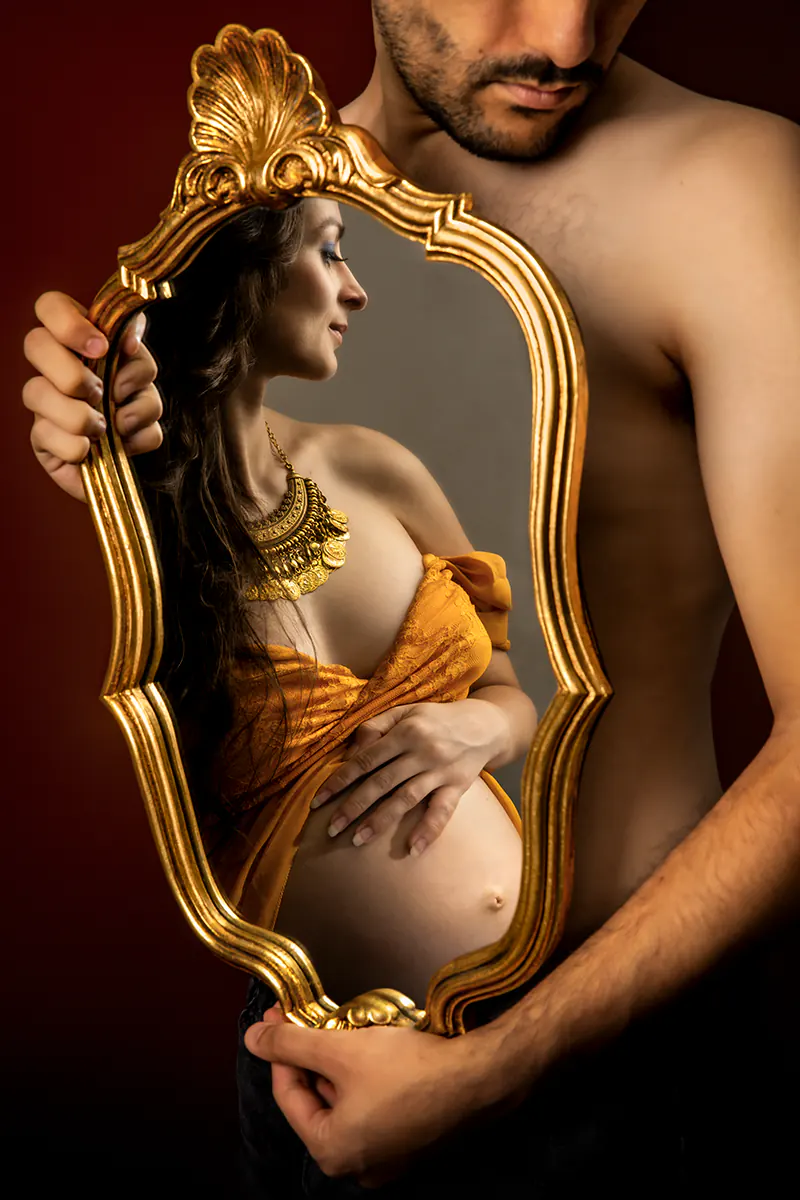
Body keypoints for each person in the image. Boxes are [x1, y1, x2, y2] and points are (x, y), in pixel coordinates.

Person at [21, 0, 800, 1192]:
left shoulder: (731, 193)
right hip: (315, 1060)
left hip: (624, 1067)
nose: (567, 36)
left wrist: (507, 1064)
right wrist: (124, 488)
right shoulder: (237, 229)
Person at [125, 194, 533, 1009]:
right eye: (328, 250)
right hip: (333, 1056)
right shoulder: (132, 515)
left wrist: (484, 727)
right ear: (242, 269)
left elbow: (506, 689)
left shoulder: (376, 468)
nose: (356, 290)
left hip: (547, 1000)